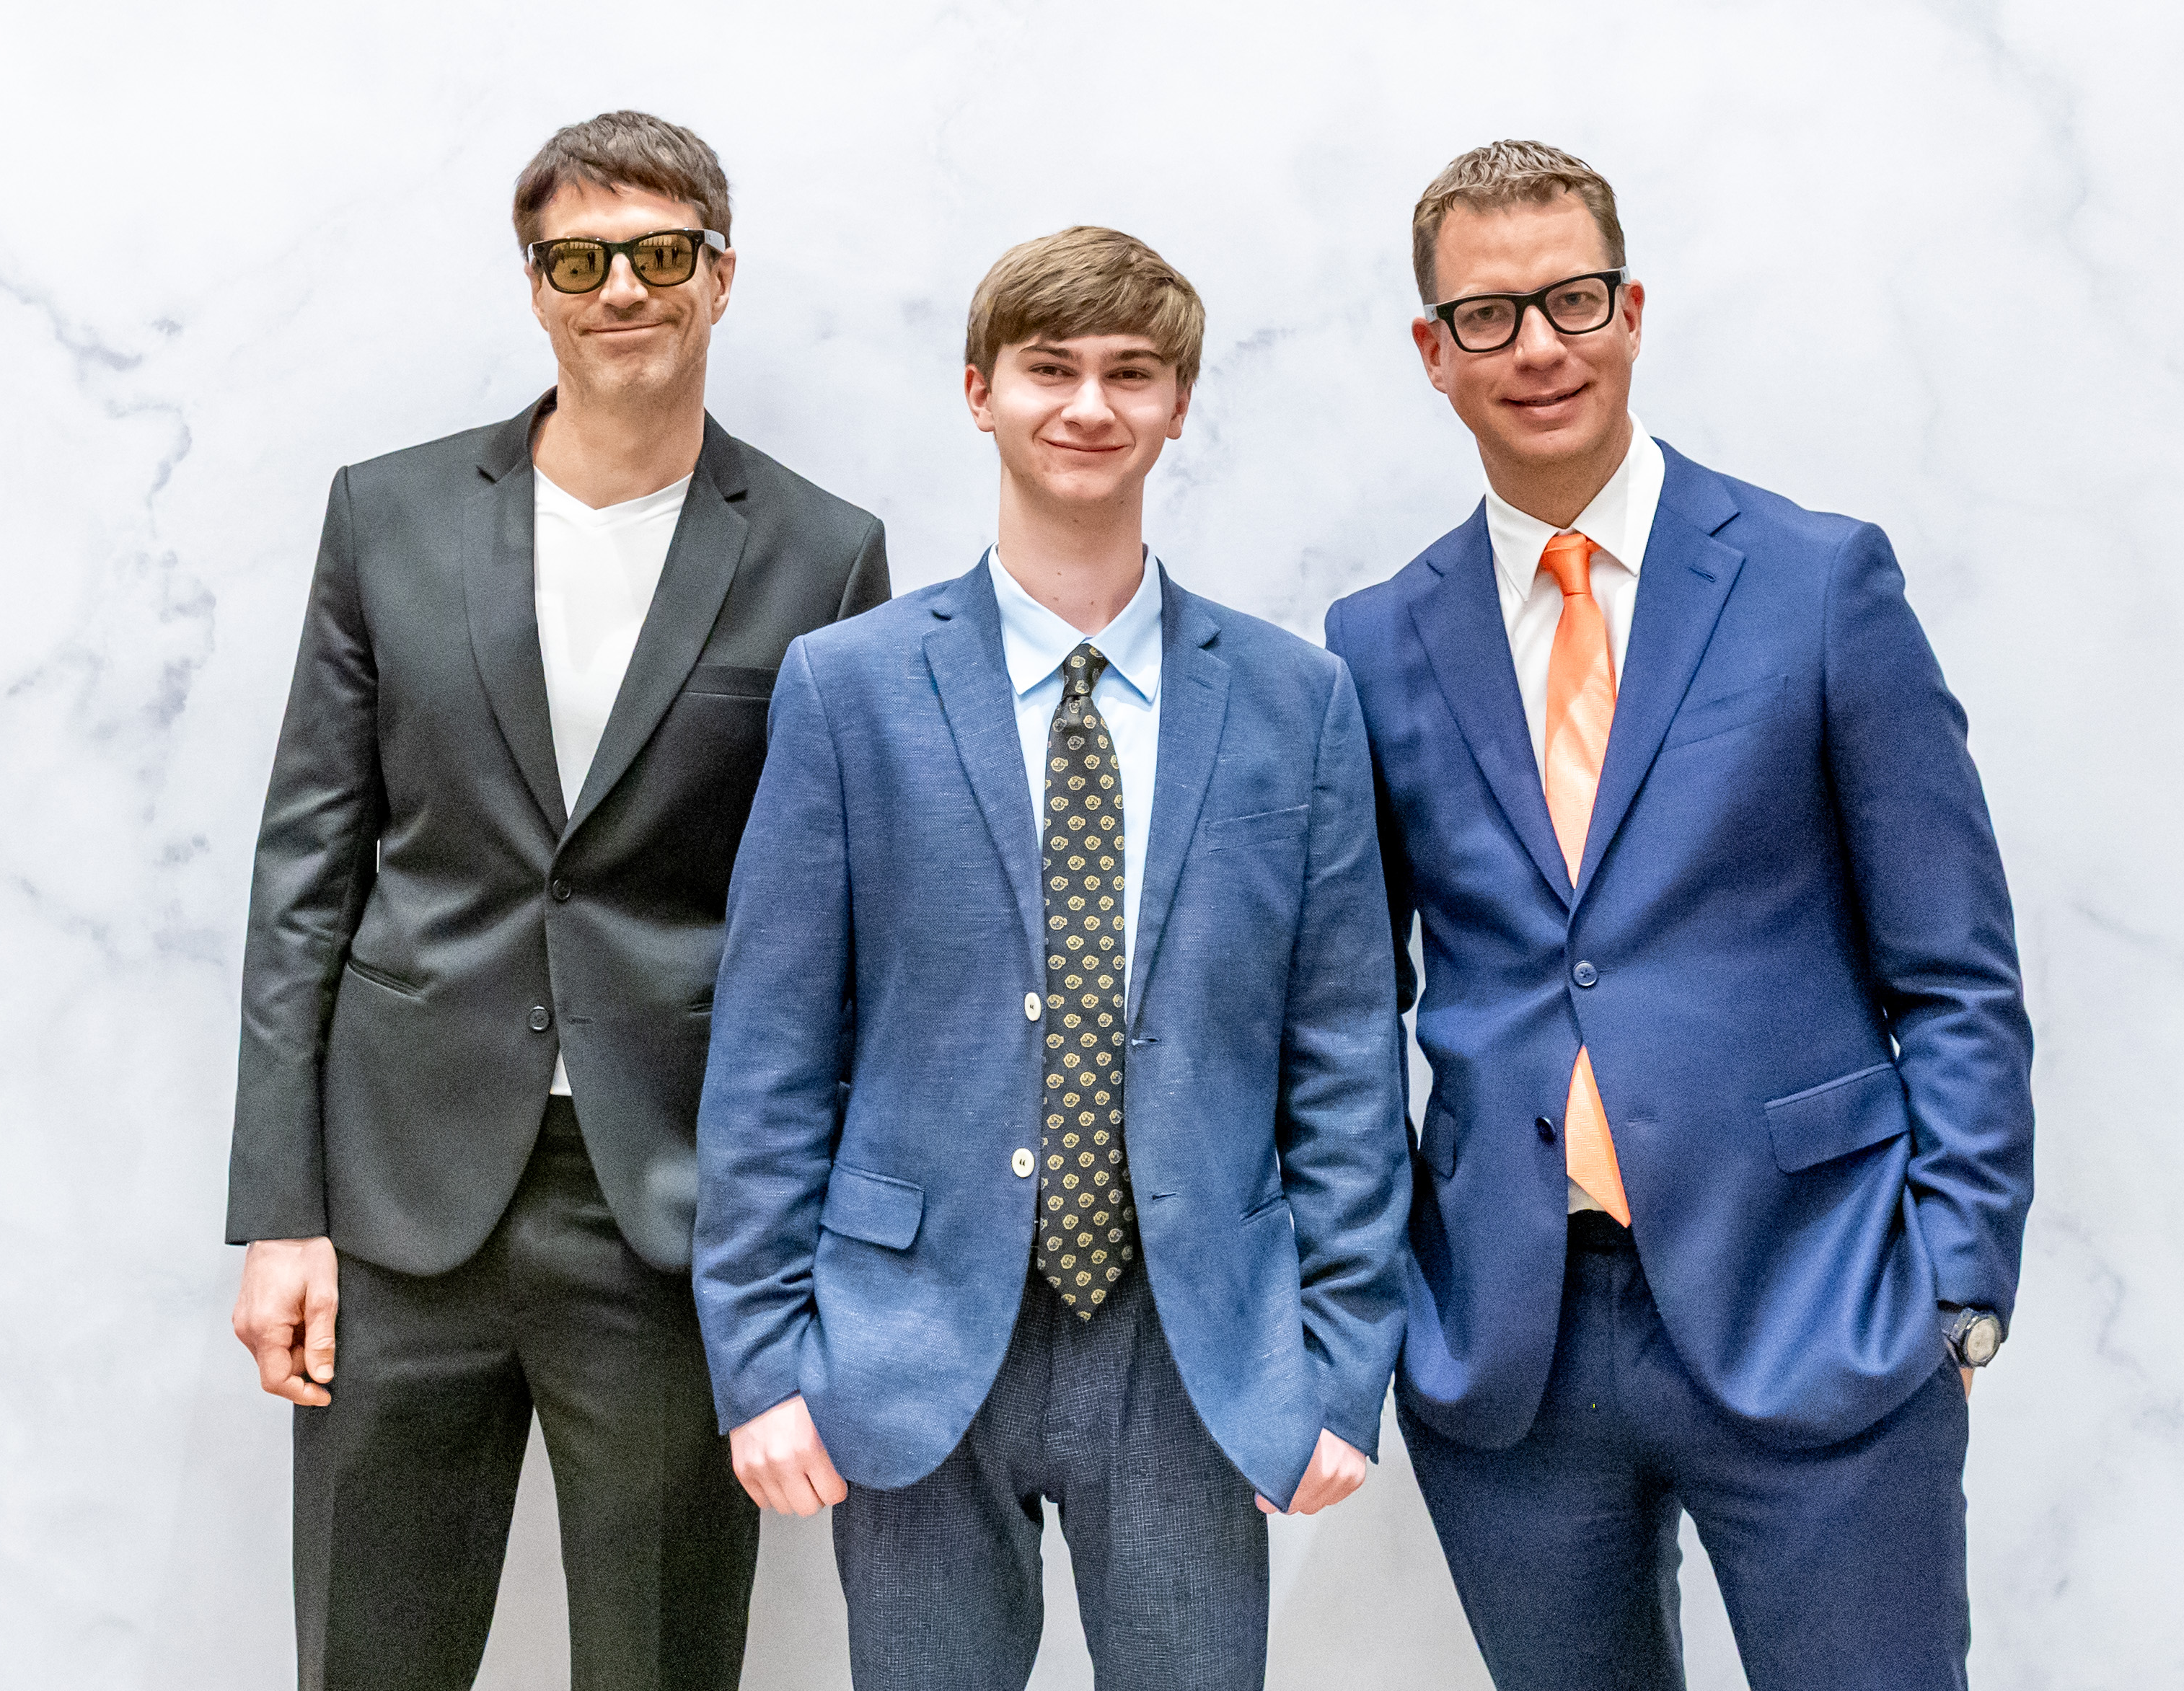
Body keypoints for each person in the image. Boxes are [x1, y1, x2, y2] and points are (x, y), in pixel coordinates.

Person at [1324, 140, 2035, 1690]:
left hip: (1821, 1299)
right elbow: (1347, 1009)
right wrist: (1384, 1300)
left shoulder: (1816, 582)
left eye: (1572, 300)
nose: (1538, 346)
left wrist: (1957, 1286)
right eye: (1489, 315)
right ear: (1433, 352)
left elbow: (1956, 972)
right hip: (1508, 1347)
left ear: (1631, 312)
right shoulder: (1374, 642)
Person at [691, 225, 1411, 1691]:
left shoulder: (1297, 701)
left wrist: (1340, 1366)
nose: (1089, 405)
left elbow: (1342, 1051)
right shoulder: (849, 689)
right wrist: (759, 1360)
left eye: (1131, 374)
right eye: (1049, 369)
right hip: (904, 1334)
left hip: (1195, 1340)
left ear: (1178, 404)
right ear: (980, 392)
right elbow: (771, 1049)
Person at [224, 110, 890, 1689]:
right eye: (578, 262)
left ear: (720, 275)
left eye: (659, 254)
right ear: (533, 287)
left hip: (669, 1205)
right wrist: (281, 1211)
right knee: (372, 1661)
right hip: (398, 1202)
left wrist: (814, 1240)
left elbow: (841, 930)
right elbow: (306, 870)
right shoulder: (387, 514)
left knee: (661, 1664)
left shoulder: (822, 553)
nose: (622, 290)